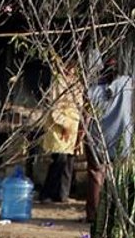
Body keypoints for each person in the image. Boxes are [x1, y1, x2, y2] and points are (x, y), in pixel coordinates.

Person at [84, 58, 133, 221]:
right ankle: (118, 214)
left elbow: (86, 118)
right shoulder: (127, 84)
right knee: (120, 177)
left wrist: (82, 138)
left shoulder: (92, 90)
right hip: (122, 141)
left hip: (97, 140)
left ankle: (94, 216)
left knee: (96, 176)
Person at [41, 65, 82, 203]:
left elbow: (79, 105)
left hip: (73, 125)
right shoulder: (58, 82)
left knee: (69, 161)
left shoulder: (77, 83)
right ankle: (47, 193)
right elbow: (55, 107)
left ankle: (63, 194)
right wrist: (64, 124)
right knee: (59, 160)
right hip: (59, 126)